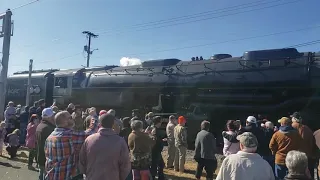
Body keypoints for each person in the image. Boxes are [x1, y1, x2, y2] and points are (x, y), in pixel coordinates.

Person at [79, 113, 131, 180]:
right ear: (113, 124)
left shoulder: (89, 139)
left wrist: (88, 174)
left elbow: (82, 162)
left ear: (99, 124)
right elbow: (125, 165)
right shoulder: (120, 141)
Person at [45, 111, 90, 180]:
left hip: (52, 175)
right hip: (66, 176)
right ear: (65, 122)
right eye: (70, 117)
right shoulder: (70, 136)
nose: (73, 119)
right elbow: (92, 134)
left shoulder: (50, 137)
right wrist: (93, 116)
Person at [290, 112, 316, 179]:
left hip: (296, 156)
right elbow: (312, 142)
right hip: (308, 155)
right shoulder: (307, 128)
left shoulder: (292, 127)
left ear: (294, 119)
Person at [36, 107, 55, 180]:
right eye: (52, 116)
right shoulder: (48, 128)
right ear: (48, 117)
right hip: (46, 158)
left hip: (40, 155)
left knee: (41, 175)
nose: (53, 117)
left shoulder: (40, 125)